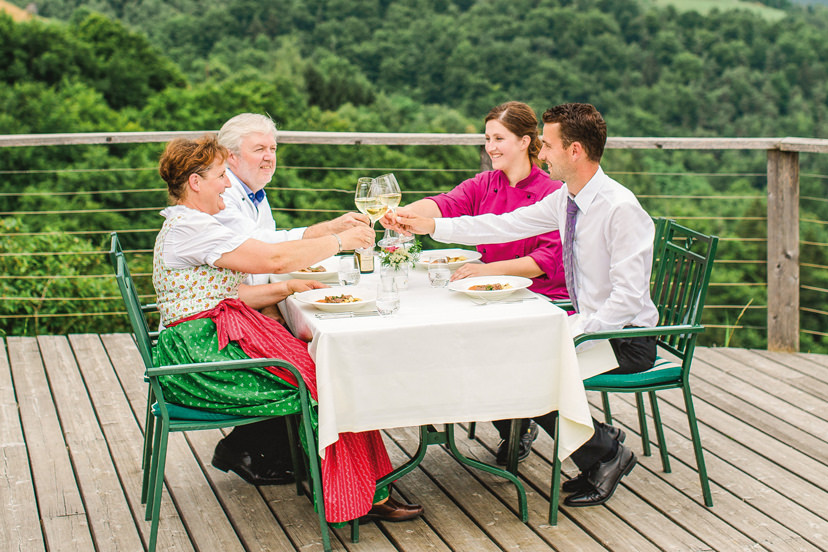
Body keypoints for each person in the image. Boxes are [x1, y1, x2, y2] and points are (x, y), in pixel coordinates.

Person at [391, 103, 658, 507]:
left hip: (627, 338)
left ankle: (606, 452)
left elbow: (628, 300)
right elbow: (503, 224)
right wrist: (430, 227)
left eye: (548, 145)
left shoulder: (621, 209)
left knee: (531, 370)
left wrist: (572, 332)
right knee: (514, 359)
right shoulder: (567, 199)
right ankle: (599, 448)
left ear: (575, 151)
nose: (542, 153)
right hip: (592, 325)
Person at [152, 134, 423, 523]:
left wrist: (288, 288)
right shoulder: (193, 229)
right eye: (219, 176)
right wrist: (339, 240)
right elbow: (274, 257)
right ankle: (357, 495)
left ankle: (361, 483)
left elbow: (220, 294)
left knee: (325, 369)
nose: (227, 184)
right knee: (326, 379)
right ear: (196, 182)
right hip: (197, 359)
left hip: (201, 341)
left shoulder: (192, 224)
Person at [383, 101, 568, 466]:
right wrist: (400, 214)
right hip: (490, 295)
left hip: (541, 301)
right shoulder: (486, 183)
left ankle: (517, 422)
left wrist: (488, 270)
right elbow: (444, 205)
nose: (491, 147)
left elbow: (545, 262)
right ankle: (513, 423)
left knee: (479, 349)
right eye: (487, 138)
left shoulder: (552, 193)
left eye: (499, 138)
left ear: (524, 141)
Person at [210, 113, 372, 485]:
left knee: (305, 340)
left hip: (244, 304)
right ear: (231, 157)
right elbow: (270, 255)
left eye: (273, 148)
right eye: (259, 149)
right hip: (227, 320)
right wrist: (336, 241)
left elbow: (275, 240)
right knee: (312, 359)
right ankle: (258, 448)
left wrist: (329, 228)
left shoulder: (250, 192)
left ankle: (271, 447)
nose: (270, 157)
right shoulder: (224, 198)